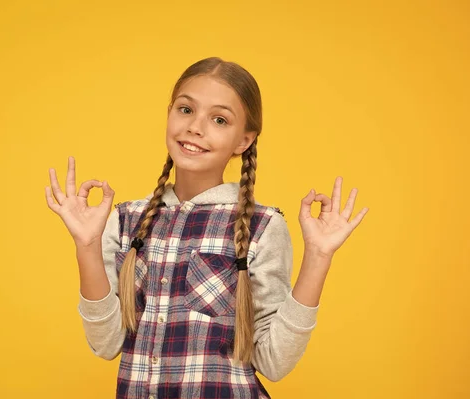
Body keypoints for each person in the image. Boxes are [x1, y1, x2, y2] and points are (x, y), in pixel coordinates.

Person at [45, 57, 369, 399]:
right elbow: (106, 343)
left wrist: (318, 256)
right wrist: (87, 245)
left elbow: (274, 362)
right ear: (170, 113)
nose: (195, 127)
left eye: (219, 119)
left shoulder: (261, 227)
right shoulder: (126, 221)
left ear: (243, 140)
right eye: (186, 110)